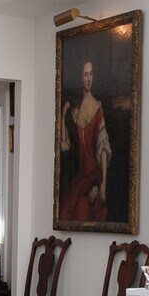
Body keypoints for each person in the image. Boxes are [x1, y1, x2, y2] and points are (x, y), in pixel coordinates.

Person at [58, 57, 111, 223]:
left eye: (91, 74)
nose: (89, 78)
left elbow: (103, 148)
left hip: (93, 176)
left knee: (83, 210)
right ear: (80, 77)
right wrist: (63, 115)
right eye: (85, 74)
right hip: (79, 177)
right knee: (66, 211)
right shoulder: (75, 111)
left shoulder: (97, 109)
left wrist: (103, 183)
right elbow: (65, 145)